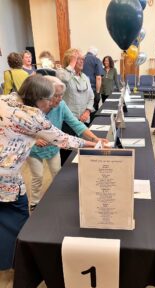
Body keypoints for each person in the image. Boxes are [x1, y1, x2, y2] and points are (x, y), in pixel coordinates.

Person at [0, 75, 97, 270]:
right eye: (50, 99)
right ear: (40, 99)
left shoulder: (5, 99)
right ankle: (19, 261)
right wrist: (94, 145)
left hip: (7, 174)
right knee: (16, 218)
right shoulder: (33, 116)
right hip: (5, 178)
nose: (51, 103)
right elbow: (63, 139)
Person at [27, 75, 107, 210]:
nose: (60, 99)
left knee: (58, 173)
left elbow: (76, 124)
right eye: (56, 95)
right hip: (34, 151)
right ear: (45, 95)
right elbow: (23, 130)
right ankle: (34, 203)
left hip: (53, 148)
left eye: (61, 95)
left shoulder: (61, 105)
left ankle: (59, 198)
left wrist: (95, 139)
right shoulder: (33, 108)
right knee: (38, 176)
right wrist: (34, 139)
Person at [57, 48, 95, 164]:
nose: (81, 61)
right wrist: (71, 65)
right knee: (67, 154)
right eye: (78, 59)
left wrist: (88, 111)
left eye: (82, 59)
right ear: (70, 60)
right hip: (68, 122)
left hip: (84, 120)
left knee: (83, 152)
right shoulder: (62, 73)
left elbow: (91, 97)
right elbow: (63, 79)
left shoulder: (85, 77)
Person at [83, 46, 104, 112]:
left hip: (80, 89)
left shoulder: (82, 59)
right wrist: (97, 93)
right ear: (95, 54)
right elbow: (98, 78)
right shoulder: (96, 60)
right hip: (92, 89)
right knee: (92, 110)